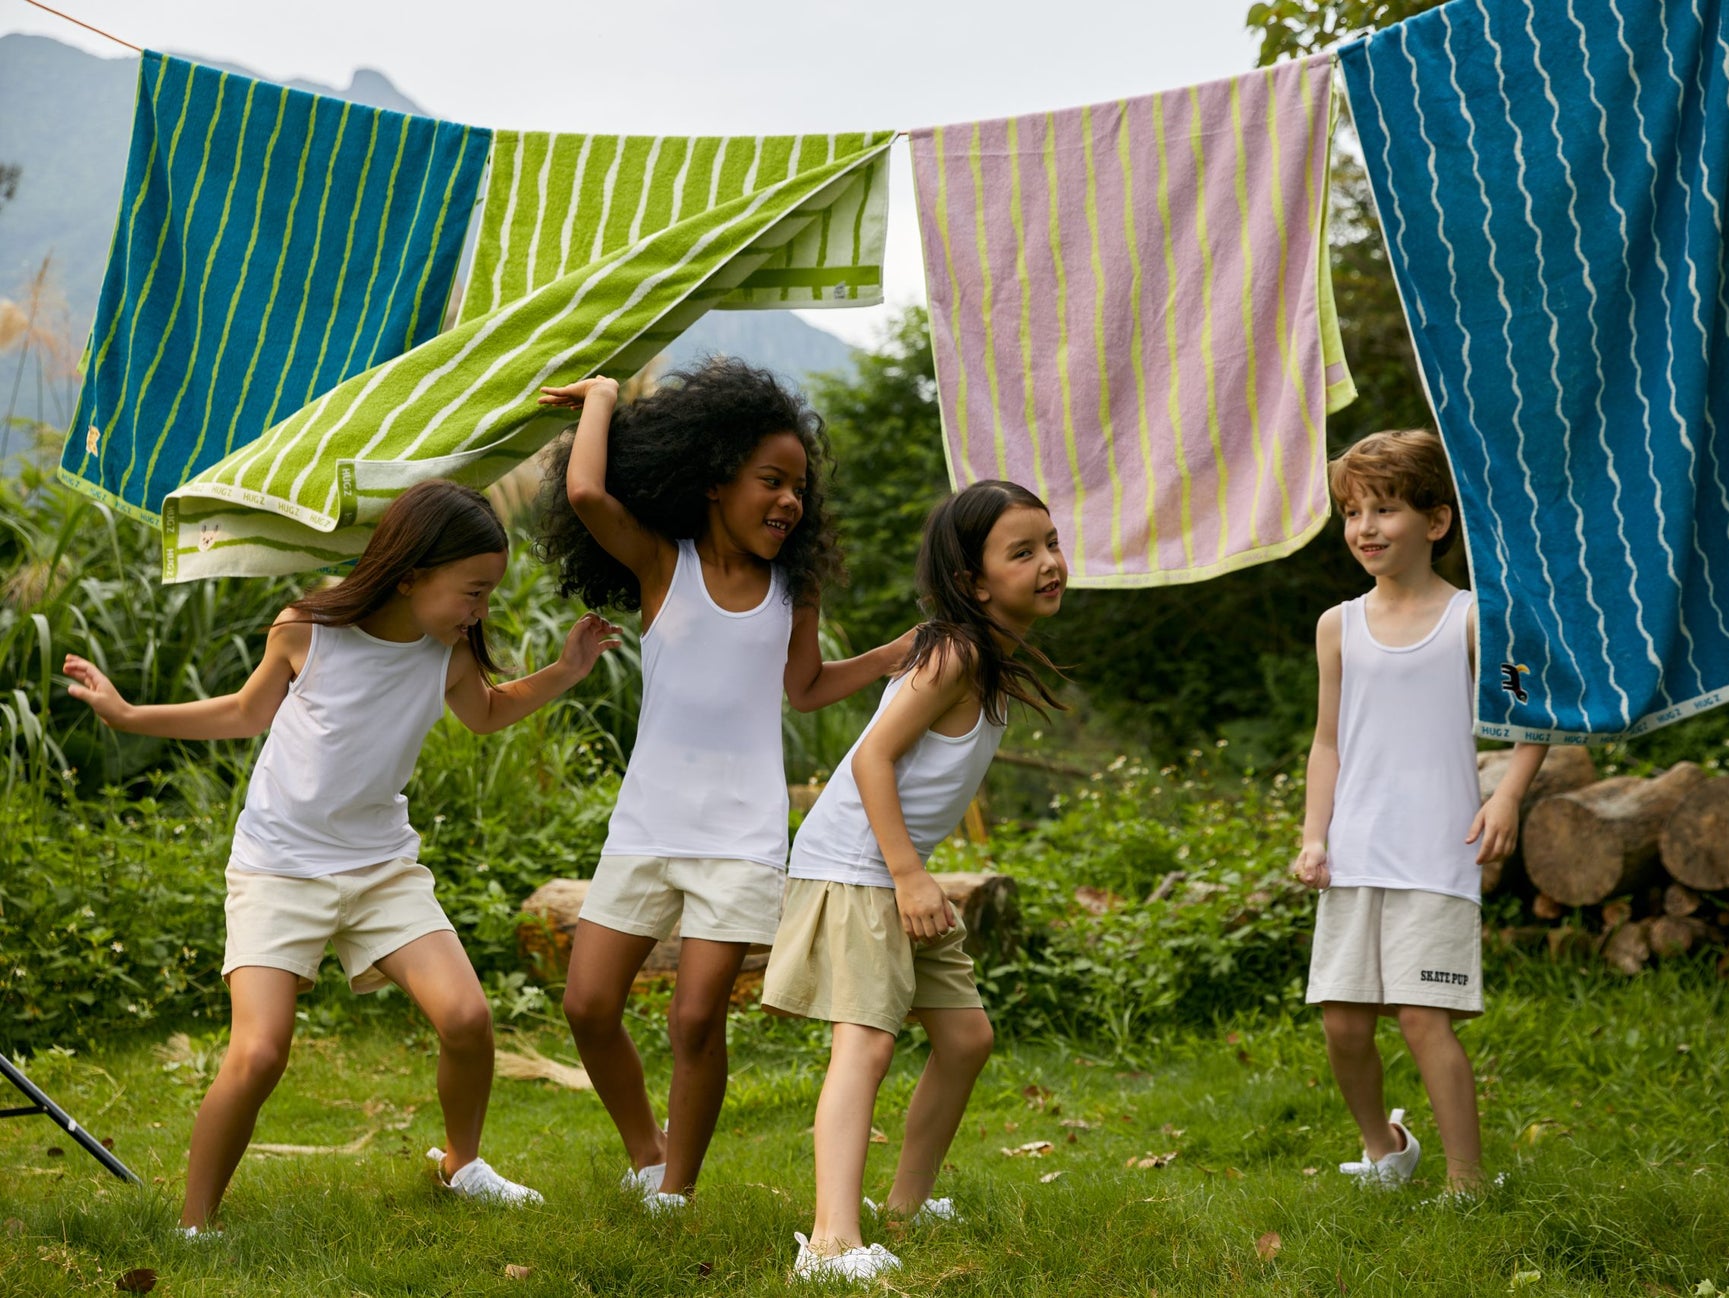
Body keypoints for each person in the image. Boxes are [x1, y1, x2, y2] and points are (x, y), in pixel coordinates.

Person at [62, 479, 623, 1233]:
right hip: (278, 868)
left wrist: (566, 671)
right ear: (412, 573)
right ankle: (195, 1227)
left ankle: (463, 1166)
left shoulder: (446, 651)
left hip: (381, 869)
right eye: (474, 591)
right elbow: (244, 713)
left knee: (466, 1018)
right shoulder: (308, 630)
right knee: (259, 1054)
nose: (480, 610)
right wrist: (128, 714)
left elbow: (486, 713)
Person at [533, 360, 912, 1209]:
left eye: (799, 489)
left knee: (696, 1019)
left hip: (741, 838)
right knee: (588, 1005)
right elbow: (590, 496)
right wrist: (601, 400)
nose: (790, 502)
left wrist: (888, 659)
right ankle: (645, 1148)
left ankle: (676, 1191)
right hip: (646, 828)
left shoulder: (792, 587)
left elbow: (805, 688)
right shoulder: (665, 566)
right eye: (771, 481)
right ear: (713, 482)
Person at [763, 479, 1066, 1282]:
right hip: (865, 867)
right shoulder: (961, 652)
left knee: (965, 1039)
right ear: (974, 581)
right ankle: (831, 1244)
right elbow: (872, 757)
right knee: (863, 1045)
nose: (1049, 564)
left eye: (1051, 544)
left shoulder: (980, 649)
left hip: (894, 870)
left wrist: (913, 873)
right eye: (1023, 552)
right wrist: (909, 874)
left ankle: (904, 1206)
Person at [1289, 429, 1545, 1196]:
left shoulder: (1478, 621)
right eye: (1353, 511)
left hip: (1437, 853)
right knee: (1342, 1022)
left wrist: (1506, 793)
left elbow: (1536, 713)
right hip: (1354, 850)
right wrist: (1312, 835)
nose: (1365, 527)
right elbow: (1326, 743)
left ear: (1436, 522)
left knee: (1422, 1019)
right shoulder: (1338, 626)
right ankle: (1387, 1150)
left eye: (1385, 509)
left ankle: (1468, 1184)